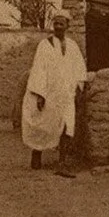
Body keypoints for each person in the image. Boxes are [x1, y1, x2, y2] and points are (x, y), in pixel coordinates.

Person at [21, 11, 86, 176]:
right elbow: (39, 69)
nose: (58, 27)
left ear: (67, 26)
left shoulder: (72, 46)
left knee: (67, 126)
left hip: (66, 94)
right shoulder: (45, 45)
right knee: (44, 125)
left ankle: (62, 163)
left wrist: (79, 87)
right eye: (55, 23)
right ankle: (37, 153)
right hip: (49, 93)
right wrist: (40, 94)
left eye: (61, 24)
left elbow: (79, 68)